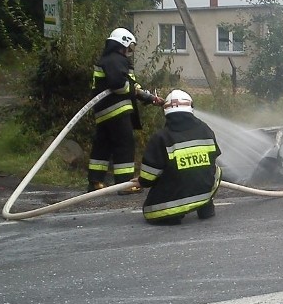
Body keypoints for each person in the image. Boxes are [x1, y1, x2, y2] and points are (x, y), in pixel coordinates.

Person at [87, 27, 163, 193]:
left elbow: (131, 85)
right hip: (117, 111)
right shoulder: (117, 60)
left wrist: (150, 98)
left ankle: (95, 182)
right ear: (123, 43)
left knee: (102, 146)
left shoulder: (108, 59)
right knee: (124, 145)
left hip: (103, 112)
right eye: (131, 46)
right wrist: (134, 90)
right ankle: (125, 184)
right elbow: (119, 85)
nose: (131, 50)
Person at [133, 89, 222, 225]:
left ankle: (172, 215)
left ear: (166, 113)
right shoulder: (205, 129)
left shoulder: (161, 138)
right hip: (204, 191)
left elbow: (149, 176)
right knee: (216, 170)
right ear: (190, 108)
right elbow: (214, 156)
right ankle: (205, 206)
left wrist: (142, 181)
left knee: (152, 209)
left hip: (174, 201)